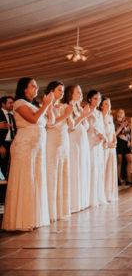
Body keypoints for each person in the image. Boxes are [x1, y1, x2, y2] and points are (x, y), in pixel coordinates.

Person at [2, 78, 52, 231]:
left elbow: (48, 122)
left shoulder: (33, 105)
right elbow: (33, 119)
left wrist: (47, 106)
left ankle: (33, 218)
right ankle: (21, 221)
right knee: (25, 179)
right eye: (33, 85)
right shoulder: (19, 103)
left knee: (35, 179)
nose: (36, 87)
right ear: (24, 89)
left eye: (37, 85)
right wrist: (46, 105)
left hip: (36, 148)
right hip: (24, 146)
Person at [45, 81, 73, 222]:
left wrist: (70, 114)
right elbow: (50, 123)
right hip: (52, 141)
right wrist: (66, 115)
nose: (62, 93)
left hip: (64, 141)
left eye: (62, 90)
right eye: (59, 90)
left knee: (63, 173)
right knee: (53, 173)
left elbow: (71, 125)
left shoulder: (64, 106)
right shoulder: (47, 106)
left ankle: (62, 210)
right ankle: (50, 212)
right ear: (51, 91)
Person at [63, 85, 91, 212]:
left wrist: (85, 115)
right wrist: (82, 116)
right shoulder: (69, 106)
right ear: (70, 94)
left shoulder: (79, 107)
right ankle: (73, 202)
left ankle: (82, 201)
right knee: (74, 168)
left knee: (82, 167)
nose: (81, 94)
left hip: (82, 140)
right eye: (78, 92)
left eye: (81, 92)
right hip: (73, 140)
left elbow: (85, 126)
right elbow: (71, 126)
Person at [86, 90, 107, 207]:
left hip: (99, 142)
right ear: (89, 99)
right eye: (95, 98)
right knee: (92, 167)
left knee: (99, 168)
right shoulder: (87, 110)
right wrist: (100, 135)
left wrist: (104, 138)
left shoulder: (99, 113)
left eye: (99, 99)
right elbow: (92, 126)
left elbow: (101, 127)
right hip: (91, 140)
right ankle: (90, 198)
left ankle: (98, 196)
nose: (97, 101)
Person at [100, 97, 118, 202]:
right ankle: (104, 194)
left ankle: (110, 193)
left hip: (112, 146)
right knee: (104, 169)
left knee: (111, 168)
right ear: (101, 106)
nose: (108, 106)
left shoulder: (110, 117)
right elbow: (101, 131)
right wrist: (108, 142)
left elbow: (113, 132)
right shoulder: (100, 116)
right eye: (106, 104)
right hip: (105, 146)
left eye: (109, 104)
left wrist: (114, 141)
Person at [115, 109, 132, 186]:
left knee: (129, 160)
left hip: (126, 142)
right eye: (119, 112)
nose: (120, 113)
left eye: (122, 112)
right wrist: (121, 126)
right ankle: (118, 180)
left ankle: (128, 180)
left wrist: (129, 141)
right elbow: (114, 133)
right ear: (117, 114)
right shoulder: (115, 123)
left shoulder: (126, 123)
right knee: (119, 161)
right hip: (119, 142)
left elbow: (128, 134)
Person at [0, 96, 16, 180]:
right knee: (2, 165)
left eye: (12, 102)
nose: (12, 104)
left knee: (10, 166)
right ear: (3, 104)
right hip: (3, 143)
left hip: (12, 143)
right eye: (10, 103)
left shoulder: (12, 116)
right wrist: (0, 145)